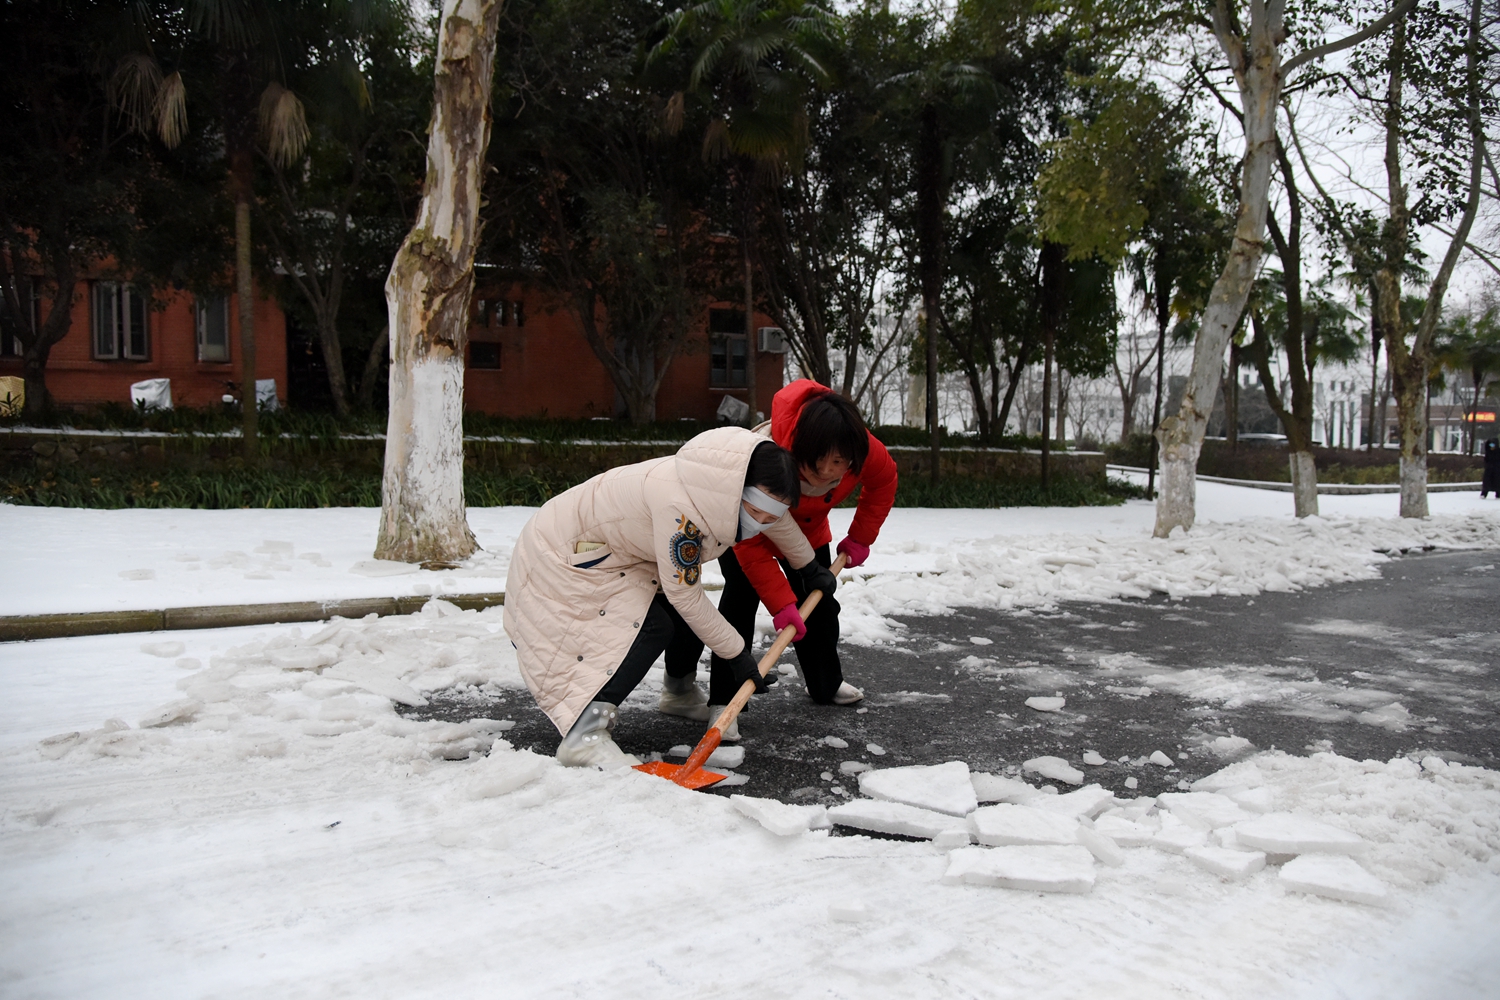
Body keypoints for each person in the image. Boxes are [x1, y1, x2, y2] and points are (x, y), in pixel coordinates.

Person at [503, 426, 823, 768]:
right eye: (753, 512)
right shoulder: (681, 510)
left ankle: (679, 693)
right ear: (734, 493)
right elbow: (686, 595)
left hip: (615, 551)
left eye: (767, 517)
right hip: (564, 557)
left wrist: (809, 567)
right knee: (652, 626)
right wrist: (737, 654)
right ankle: (583, 735)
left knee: (678, 613)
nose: (759, 524)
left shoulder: (720, 484)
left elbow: (776, 519)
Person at [663, 381, 897, 736]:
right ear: (804, 445)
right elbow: (751, 545)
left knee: (819, 605)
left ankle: (825, 683)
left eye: (841, 463)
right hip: (746, 533)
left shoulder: (857, 446)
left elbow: (884, 479)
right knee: (739, 603)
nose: (833, 472)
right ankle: (724, 703)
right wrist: (780, 602)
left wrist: (861, 538)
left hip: (805, 535)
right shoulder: (767, 458)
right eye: (824, 461)